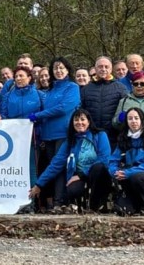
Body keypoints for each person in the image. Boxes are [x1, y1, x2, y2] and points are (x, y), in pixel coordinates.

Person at [29, 108, 112, 213]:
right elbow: (56, 164)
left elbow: (104, 159)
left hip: (99, 175)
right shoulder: (70, 141)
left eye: (83, 119)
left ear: (89, 122)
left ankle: (95, 207)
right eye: (76, 120)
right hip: (79, 177)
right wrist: (39, 184)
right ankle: (82, 207)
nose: (79, 123)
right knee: (72, 190)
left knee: (98, 167)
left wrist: (81, 175)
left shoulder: (100, 135)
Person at [34, 57, 82, 206]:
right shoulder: (50, 90)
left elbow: (64, 108)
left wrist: (38, 115)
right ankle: (54, 200)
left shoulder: (72, 87)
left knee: (60, 167)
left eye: (61, 68)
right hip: (48, 135)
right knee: (51, 168)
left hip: (63, 133)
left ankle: (60, 201)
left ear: (67, 70)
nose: (58, 71)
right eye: (55, 68)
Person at [80, 57, 127, 137]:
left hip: (114, 134)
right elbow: (81, 110)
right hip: (92, 133)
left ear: (111, 69)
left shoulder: (121, 88)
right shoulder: (86, 89)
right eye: (100, 66)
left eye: (106, 67)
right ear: (95, 68)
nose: (103, 69)